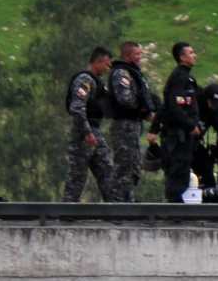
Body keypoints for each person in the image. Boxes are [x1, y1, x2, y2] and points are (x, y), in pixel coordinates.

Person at [149, 42, 202, 203]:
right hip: (177, 136)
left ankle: (177, 210)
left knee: (182, 173)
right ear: (182, 57)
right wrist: (190, 125)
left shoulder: (187, 77)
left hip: (183, 135)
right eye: (191, 52)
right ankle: (174, 212)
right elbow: (173, 106)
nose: (194, 55)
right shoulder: (179, 77)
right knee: (177, 173)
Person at [63, 47, 116, 202]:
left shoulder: (96, 82)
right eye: (107, 65)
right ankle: (66, 215)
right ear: (98, 62)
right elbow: (77, 108)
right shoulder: (85, 80)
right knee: (77, 177)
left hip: (94, 132)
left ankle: (116, 212)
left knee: (107, 171)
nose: (108, 69)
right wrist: (87, 133)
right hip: (84, 134)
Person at [108, 41, 155, 202]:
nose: (140, 57)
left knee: (134, 166)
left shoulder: (133, 73)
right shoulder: (121, 73)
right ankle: (116, 204)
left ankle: (128, 202)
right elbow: (125, 99)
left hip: (133, 125)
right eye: (137, 54)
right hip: (124, 125)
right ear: (127, 56)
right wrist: (142, 109)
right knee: (123, 165)